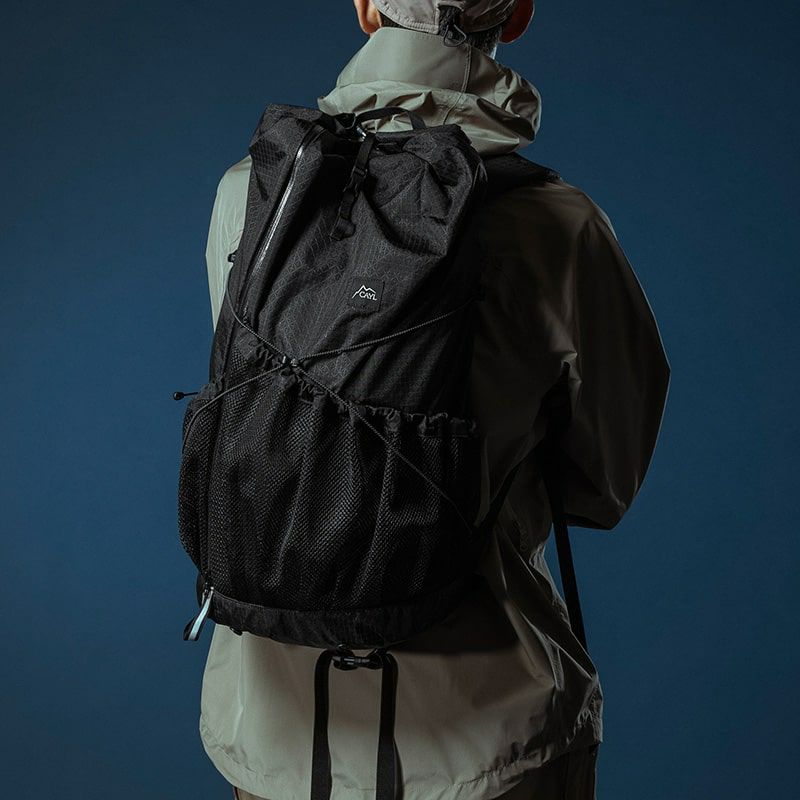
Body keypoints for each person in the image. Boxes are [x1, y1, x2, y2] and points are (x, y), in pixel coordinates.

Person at [198, 1, 670, 798]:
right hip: (490, 735)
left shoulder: (251, 195)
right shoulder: (557, 224)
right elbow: (603, 485)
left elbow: (254, 420)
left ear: (365, 7)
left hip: (270, 731)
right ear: (516, 15)